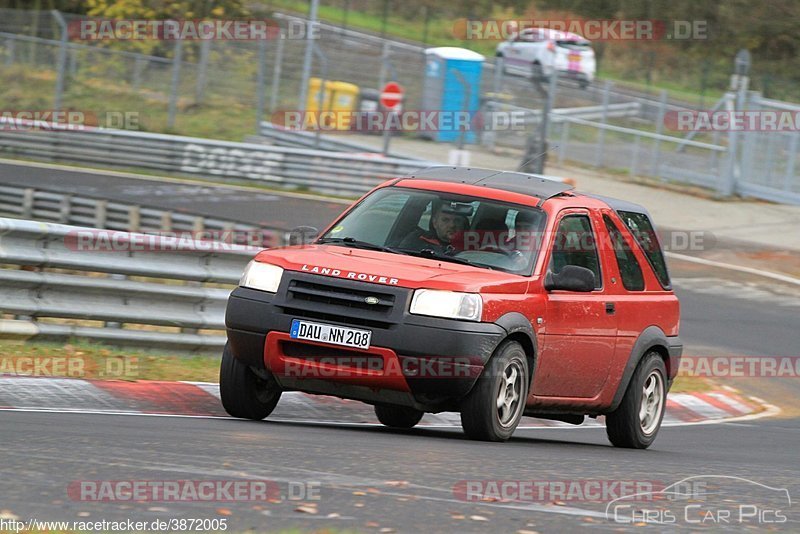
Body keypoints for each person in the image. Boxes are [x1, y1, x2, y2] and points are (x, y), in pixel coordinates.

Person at [399, 200, 469, 253]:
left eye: (457, 220)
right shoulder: (416, 240)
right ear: (435, 223)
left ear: (464, 223)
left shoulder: (472, 247)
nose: (452, 225)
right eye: (445, 220)